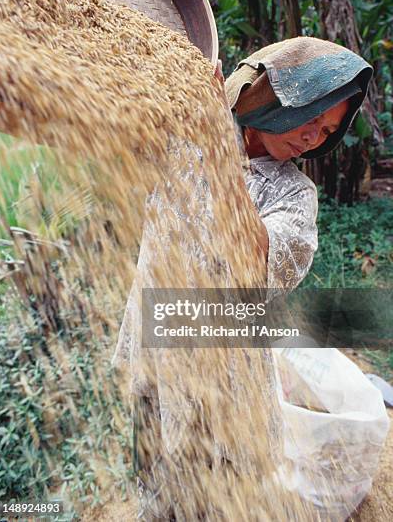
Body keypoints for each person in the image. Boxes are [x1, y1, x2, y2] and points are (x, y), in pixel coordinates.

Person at [112, 36, 372, 520]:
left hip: (225, 380)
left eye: (328, 130)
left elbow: (257, 266)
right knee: (153, 484)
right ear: (272, 93)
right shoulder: (189, 133)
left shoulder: (295, 196)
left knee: (214, 495)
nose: (315, 135)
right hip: (158, 348)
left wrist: (216, 150)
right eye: (314, 114)